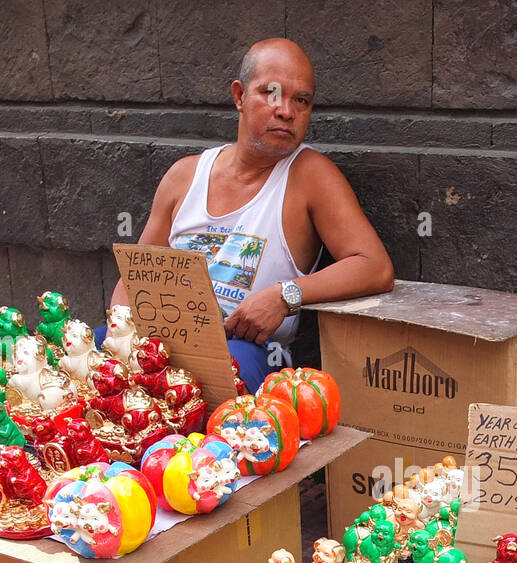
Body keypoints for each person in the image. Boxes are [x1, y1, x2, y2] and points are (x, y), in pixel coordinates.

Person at [113, 38, 394, 391]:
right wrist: (119, 338)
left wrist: (285, 295)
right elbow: (135, 276)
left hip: (250, 352)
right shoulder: (185, 176)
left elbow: (374, 266)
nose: (286, 111)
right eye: (271, 93)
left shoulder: (309, 175)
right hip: (160, 344)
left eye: (302, 101)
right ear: (239, 96)